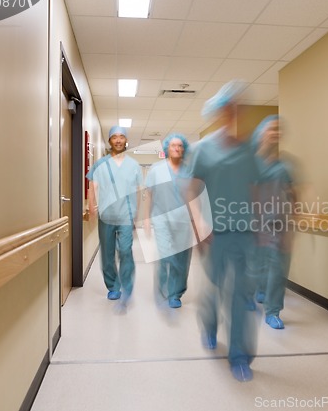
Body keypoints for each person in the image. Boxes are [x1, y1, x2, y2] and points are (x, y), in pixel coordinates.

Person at [187, 80, 260, 382]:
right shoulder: (203, 149)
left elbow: (255, 190)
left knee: (241, 295)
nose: (232, 112)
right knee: (212, 289)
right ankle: (208, 325)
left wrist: (261, 226)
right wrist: (199, 225)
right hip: (213, 233)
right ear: (219, 112)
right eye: (227, 107)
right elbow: (191, 191)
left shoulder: (248, 151)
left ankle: (240, 356)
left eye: (237, 107)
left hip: (243, 233)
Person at [251, 115, 299, 329]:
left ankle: (273, 311)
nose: (276, 132)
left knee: (278, 269)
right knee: (255, 265)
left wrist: (294, 223)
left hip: (279, 224)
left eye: (278, 129)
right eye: (271, 128)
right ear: (261, 134)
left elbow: (292, 193)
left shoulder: (285, 165)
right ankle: (258, 291)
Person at [87, 125, 142, 305]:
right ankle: (113, 287)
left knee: (125, 250)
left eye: (121, 137)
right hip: (106, 215)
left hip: (126, 215)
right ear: (109, 140)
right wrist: (91, 205)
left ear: (126, 140)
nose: (118, 140)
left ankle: (126, 283)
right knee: (107, 254)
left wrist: (138, 214)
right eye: (114, 137)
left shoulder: (133, 165)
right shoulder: (100, 164)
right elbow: (92, 186)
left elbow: (138, 190)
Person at [143, 133, 193, 309]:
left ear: (184, 148)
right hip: (161, 218)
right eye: (173, 146)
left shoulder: (190, 170)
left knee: (182, 259)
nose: (177, 148)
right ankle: (164, 286)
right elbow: (149, 195)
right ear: (167, 148)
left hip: (184, 220)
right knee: (166, 255)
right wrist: (147, 218)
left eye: (180, 146)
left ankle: (175, 294)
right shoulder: (156, 169)